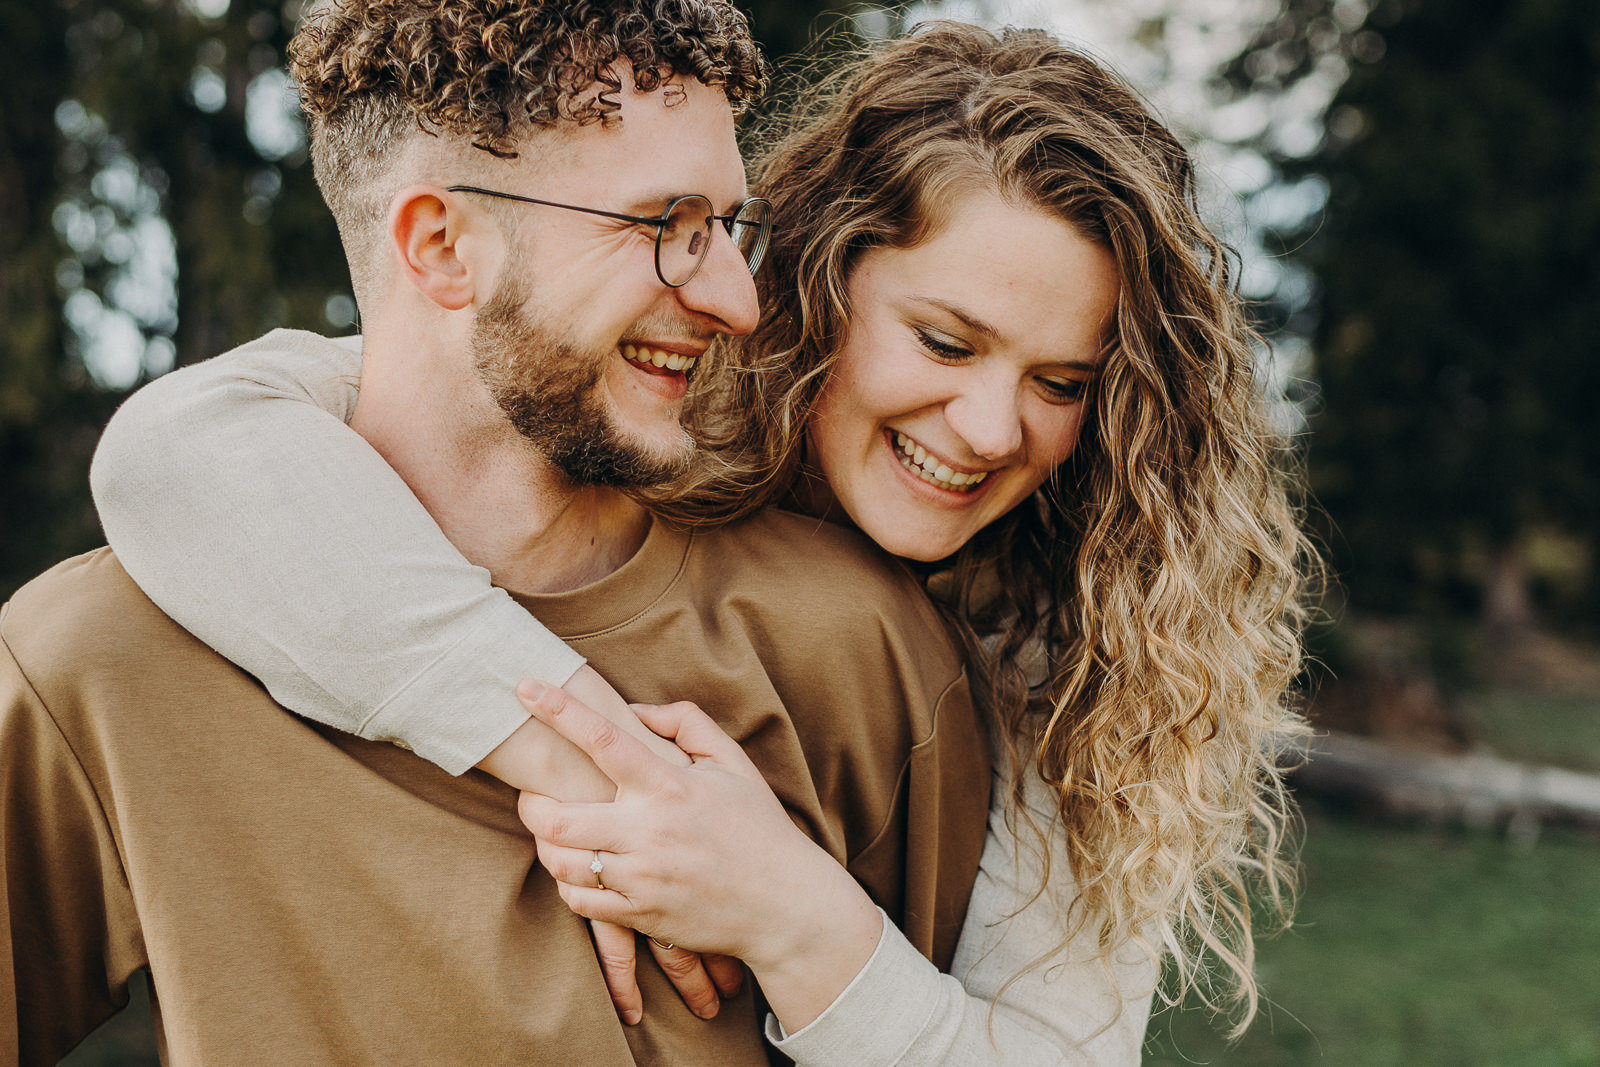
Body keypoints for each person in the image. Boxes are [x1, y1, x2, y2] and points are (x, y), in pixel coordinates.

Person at [89, 20, 1314, 1066]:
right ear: (819, 283)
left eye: (1060, 382)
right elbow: (183, 447)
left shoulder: (1084, 656)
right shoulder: (634, 421)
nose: (994, 428)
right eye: (944, 342)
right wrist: (597, 766)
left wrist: (787, 912)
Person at [0, 2, 998, 1063]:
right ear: (441, 246)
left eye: (724, 227)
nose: (735, 300)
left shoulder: (855, 648)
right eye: (666, 227)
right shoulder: (102, 660)